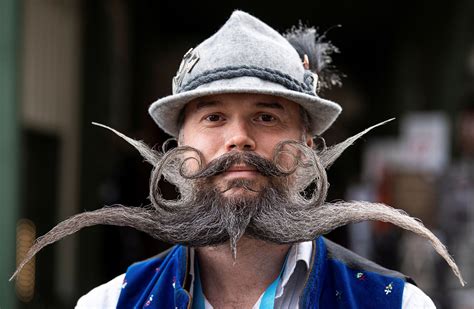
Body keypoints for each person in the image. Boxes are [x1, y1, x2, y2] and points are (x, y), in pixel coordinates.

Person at [13, 10, 463, 308]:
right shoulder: (110, 304)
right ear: (178, 151)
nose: (239, 139)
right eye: (214, 116)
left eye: (266, 116)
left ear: (308, 147)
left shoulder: (394, 303)